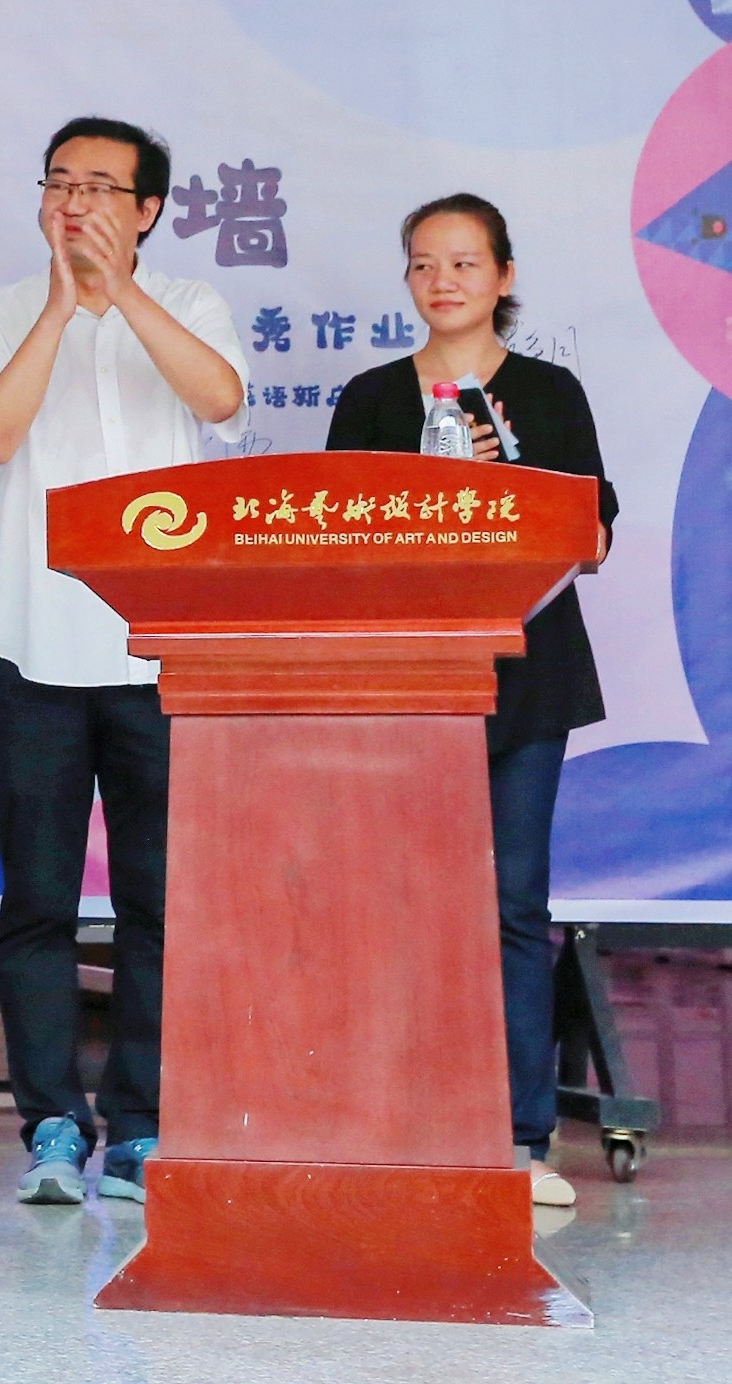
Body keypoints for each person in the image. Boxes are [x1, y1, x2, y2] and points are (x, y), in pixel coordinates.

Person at [0, 118, 246, 1206]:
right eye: (61, 183)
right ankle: (53, 1124)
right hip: (31, 644)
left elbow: (218, 400)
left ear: (148, 209)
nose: (77, 202)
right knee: (38, 900)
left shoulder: (191, 305)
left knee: (161, 901)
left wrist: (123, 297)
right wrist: (62, 307)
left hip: (161, 651)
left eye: (103, 187)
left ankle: (144, 1122)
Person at [325, 194, 611, 1211]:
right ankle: (398, 1121)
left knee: (511, 905)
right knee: (399, 906)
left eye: (463, 262)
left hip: (526, 678)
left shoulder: (548, 391)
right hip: (402, 682)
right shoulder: (370, 398)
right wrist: (423, 489)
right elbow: (334, 543)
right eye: (422, 263)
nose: (441, 280)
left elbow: (591, 540)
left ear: (502, 275)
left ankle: (518, 1136)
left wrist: (506, 485)